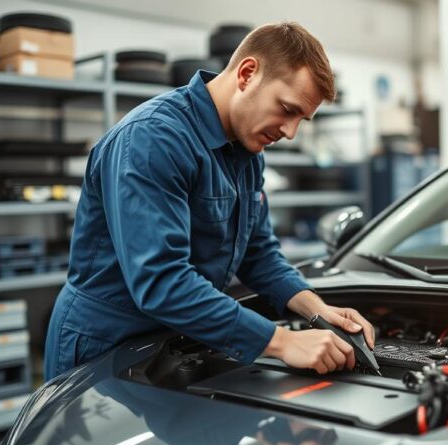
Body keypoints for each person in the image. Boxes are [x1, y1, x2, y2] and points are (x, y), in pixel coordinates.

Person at [44, 22, 373, 379]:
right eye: (287, 109)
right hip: (104, 343)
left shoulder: (247, 152)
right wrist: (282, 342)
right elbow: (163, 283)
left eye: (302, 120)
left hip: (176, 333)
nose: (290, 133)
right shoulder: (152, 139)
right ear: (247, 73)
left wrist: (316, 309)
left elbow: (258, 253)